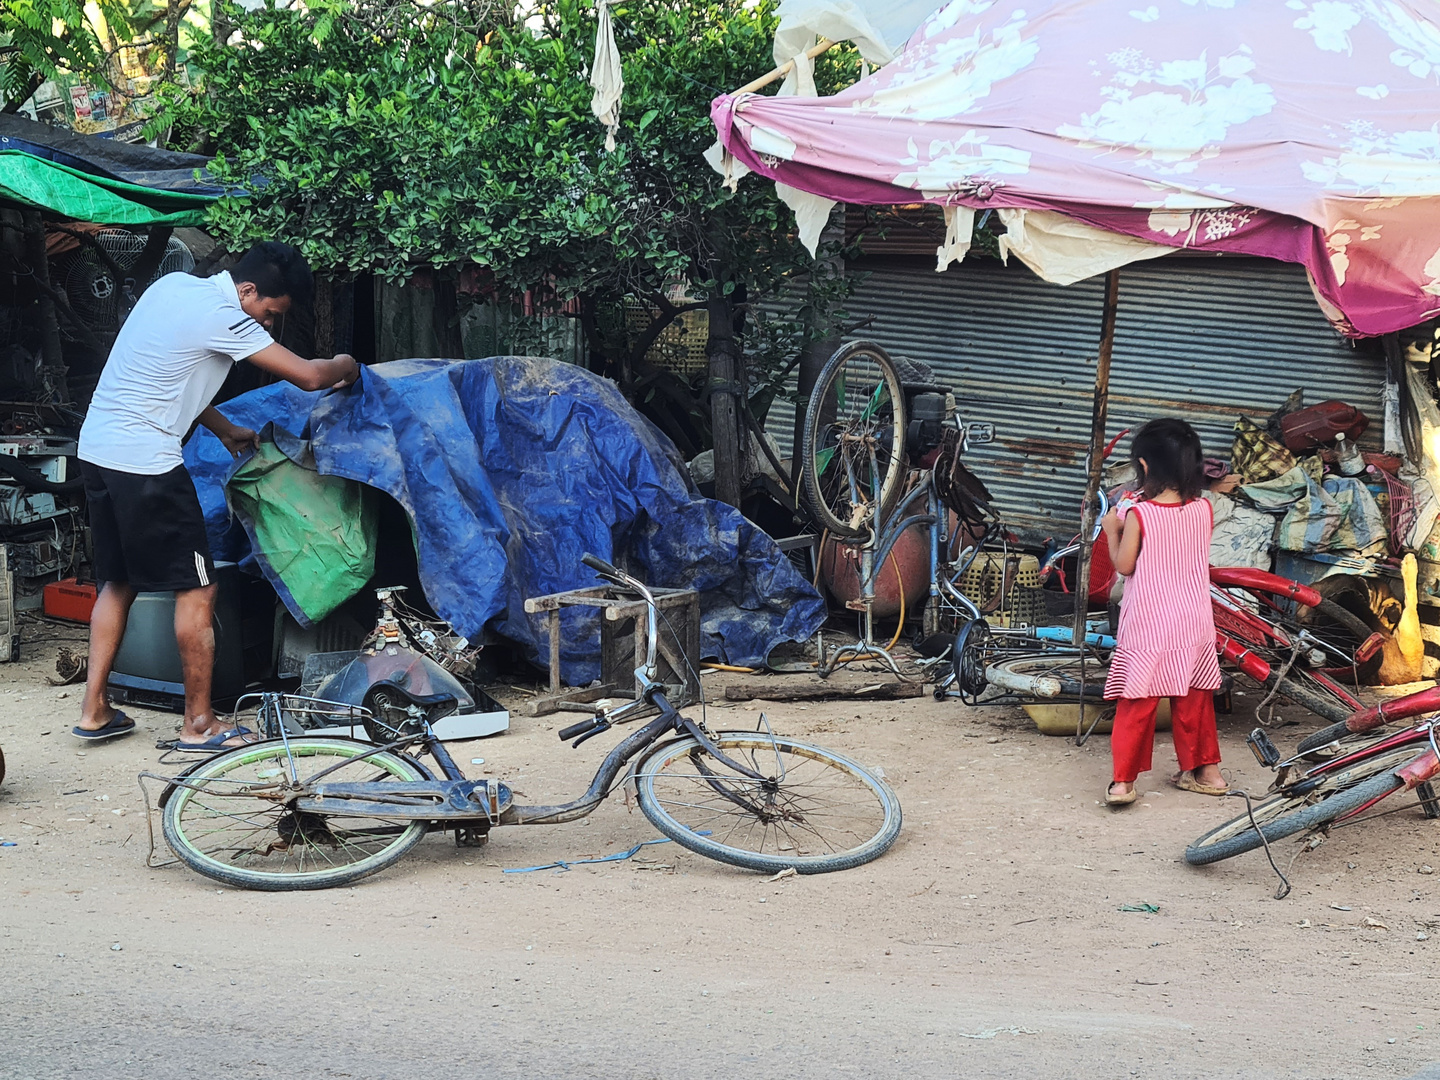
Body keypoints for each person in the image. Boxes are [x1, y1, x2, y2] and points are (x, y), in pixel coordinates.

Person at [72, 241, 359, 750]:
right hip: (148, 462)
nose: (268, 326)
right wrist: (348, 363)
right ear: (246, 290)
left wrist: (225, 429)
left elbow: (171, 375)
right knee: (199, 589)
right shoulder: (224, 315)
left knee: (118, 582)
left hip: (99, 449)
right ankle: (199, 724)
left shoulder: (173, 286)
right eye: (270, 313)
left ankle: (94, 710)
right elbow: (312, 377)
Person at [1098, 418, 1227, 807]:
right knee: (1195, 697)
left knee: (1138, 701)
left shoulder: (1140, 515)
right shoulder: (1204, 509)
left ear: (1145, 466)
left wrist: (1110, 530)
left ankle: (1123, 784)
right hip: (1194, 621)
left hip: (1149, 623)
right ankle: (1208, 773)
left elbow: (1124, 565)